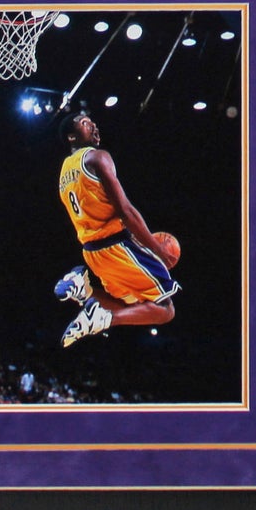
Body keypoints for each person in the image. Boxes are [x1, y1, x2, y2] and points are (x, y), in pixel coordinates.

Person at [53, 111, 179, 347]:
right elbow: (126, 211)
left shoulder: (64, 171)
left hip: (92, 252)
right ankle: (103, 318)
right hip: (115, 244)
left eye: (93, 121)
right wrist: (157, 250)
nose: (93, 125)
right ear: (71, 137)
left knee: (134, 306)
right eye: (85, 123)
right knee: (165, 309)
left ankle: (86, 291)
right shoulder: (97, 157)